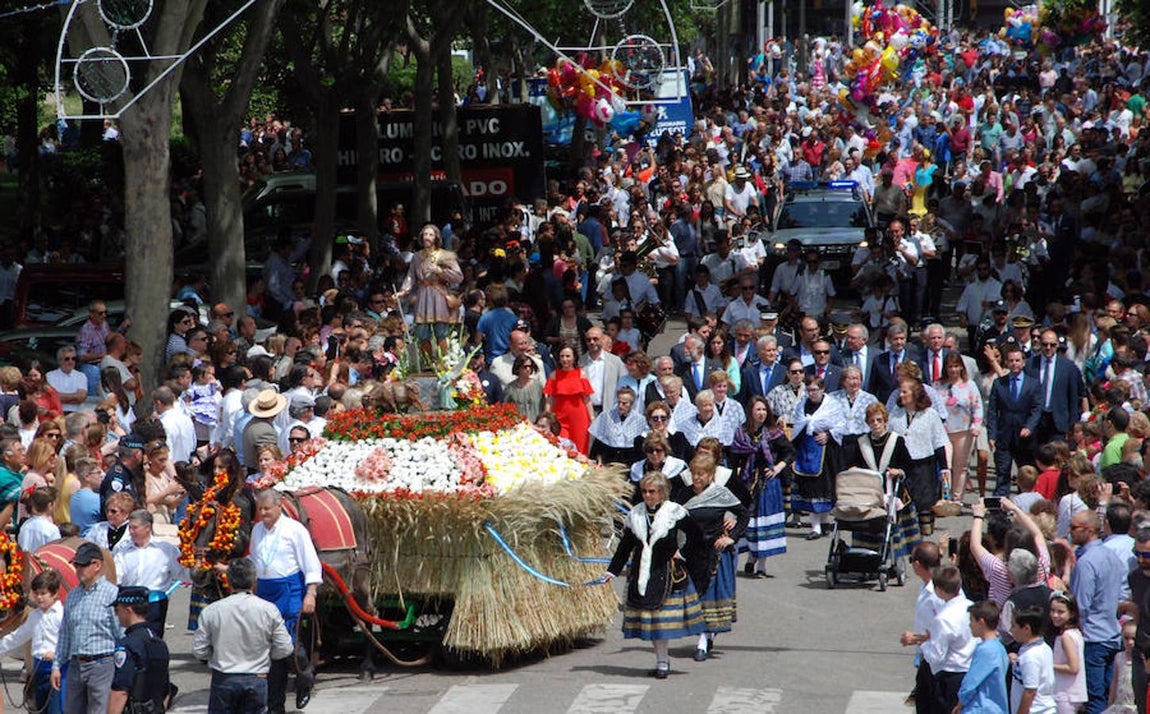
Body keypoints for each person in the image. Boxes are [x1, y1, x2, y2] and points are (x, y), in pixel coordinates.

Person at [605, 471, 707, 679]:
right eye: (644, 491)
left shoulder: (674, 512)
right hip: (644, 573)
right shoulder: (635, 515)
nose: (647, 495)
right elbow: (625, 546)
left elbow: (697, 536)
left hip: (667, 573)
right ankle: (662, 660)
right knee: (652, 622)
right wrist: (612, 571)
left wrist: (682, 552)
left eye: (652, 491)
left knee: (661, 623)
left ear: (662, 492)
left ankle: (665, 660)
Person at [249, 489, 322, 713]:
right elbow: (254, 561)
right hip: (265, 592)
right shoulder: (257, 530)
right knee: (272, 653)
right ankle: (275, 705)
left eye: (267, 509)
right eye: (260, 509)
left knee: (292, 647)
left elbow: (310, 562)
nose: (263, 513)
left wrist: (311, 593)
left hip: (290, 591)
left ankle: (304, 679)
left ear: (279, 506)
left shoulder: (294, 530)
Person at [194, 558, 295, 714]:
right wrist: (265, 656)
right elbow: (285, 648)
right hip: (256, 677)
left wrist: (218, 655)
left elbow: (200, 651)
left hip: (224, 678)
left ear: (228, 581)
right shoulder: (268, 610)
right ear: (254, 581)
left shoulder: (212, 611)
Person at [676, 453, 747, 662]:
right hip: (691, 553)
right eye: (694, 473)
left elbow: (744, 513)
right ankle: (706, 635)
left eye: (702, 474)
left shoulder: (721, 494)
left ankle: (703, 641)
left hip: (714, 554)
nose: (697, 478)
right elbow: (673, 519)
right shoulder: (683, 494)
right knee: (696, 598)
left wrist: (732, 537)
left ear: (710, 475)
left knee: (710, 598)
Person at [50, 542, 122, 714]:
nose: (78, 569)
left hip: (102, 664)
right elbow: (65, 633)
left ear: (97, 565)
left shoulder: (112, 594)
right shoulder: (73, 595)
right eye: (76, 565)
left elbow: (120, 633)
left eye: (82, 565)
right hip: (76, 664)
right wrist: (56, 665)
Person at [1068, 510, 1124, 714]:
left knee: (1094, 698)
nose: (1070, 531)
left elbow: (1080, 605)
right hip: (1112, 635)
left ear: (1090, 530)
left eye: (1074, 528)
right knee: (1110, 697)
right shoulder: (1111, 556)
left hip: (1093, 638)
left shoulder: (1086, 563)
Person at [729, 396, 792, 577]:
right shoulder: (741, 433)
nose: (762, 413)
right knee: (750, 521)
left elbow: (789, 452)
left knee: (764, 523)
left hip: (768, 484)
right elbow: (734, 459)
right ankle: (751, 557)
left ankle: (762, 565)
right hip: (748, 483)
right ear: (750, 412)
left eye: (764, 410)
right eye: (758, 409)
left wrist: (777, 468)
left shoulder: (773, 433)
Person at [889, 378, 950, 536]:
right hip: (902, 467)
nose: (901, 395)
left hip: (924, 467)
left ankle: (925, 542)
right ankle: (906, 539)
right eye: (900, 391)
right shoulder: (895, 413)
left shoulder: (930, 415)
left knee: (924, 507)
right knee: (902, 505)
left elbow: (939, 442)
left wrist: (944, 468)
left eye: (905, 392)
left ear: (915, 394)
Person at [114, 509, 186, 638]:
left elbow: (182, 573)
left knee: (152, 640)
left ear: (147, 527)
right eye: (129, 528)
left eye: (135, 528)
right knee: (129, 640)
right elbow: (116, 576)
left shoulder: (165, 549)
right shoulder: (122, 550)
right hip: (129, 602)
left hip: (154, 603)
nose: (131, 532)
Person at [0, 570, 63, 714]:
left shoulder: (61, 615)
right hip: (38, 668)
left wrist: (56, 654)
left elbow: (69, 640)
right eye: (36, 594)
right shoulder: (35, 616)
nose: (39, 597)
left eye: (43, 593)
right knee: (39, 708)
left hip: (56, 668)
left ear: (54, 594)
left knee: (56, 709)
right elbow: (18, 636)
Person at [791, 374, 844, 540]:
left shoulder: (832, 405)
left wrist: (828, 435)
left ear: (822, 389)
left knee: (825, 489)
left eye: (815, 390)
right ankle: (815, 527)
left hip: (826, 452)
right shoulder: (802, 405)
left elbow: (841, 425)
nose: (812, 393)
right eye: (809, 390)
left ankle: (824, 521)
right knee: (810, 489)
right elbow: (798, 426)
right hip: (806, 449)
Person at [399, 223, 463, 359]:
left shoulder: (445, 255)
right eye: (425, 234)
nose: (427, 237)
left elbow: (458, 276)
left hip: (438, 294)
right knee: (422, 332)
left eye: (430, 235)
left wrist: (440, 271)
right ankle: (428, 362)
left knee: (441, 332)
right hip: (423, 295)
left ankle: (442, 361)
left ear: (436, 238)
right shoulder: (417, 256)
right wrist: (403, 291)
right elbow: (411, 276)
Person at [985, 344, 1042, 497]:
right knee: (1002, 473)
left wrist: (1029, 426)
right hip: (1004, 436)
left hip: (1025, 438)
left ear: (1023, 363)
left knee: (1026, 474)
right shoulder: (999, 383)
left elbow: (1037, 409)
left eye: (1017, 360)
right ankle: (1000, 505)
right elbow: (992, 411)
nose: (1014, 363)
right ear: (1006, 363)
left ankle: (1024, 503)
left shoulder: (1033, 383)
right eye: (1011, 361)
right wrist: (992, 435)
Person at [917, 565, 975, 714]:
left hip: (951, 677)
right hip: (971, 673)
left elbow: (936, 656)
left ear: (939, 590)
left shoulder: (943, 618)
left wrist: (923, 643)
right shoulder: (972, 607)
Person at [108, 585, 172, 714]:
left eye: (117, 609)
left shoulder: (128, 644)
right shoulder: (158, 642)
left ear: (128, 610)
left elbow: (120, 690)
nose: (116, 614)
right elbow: (167, 689)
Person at [940, 352, 982, 506]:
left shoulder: (970, 385)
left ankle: (957, 499)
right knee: (946, 465)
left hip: (964, 431)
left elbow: (977, 407)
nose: (953, 370)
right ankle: (945, 498)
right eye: (950, 366)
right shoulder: (937, 385)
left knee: (961, 467)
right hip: (943, 432)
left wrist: (976, 425)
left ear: (961, 367)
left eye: (956, 366)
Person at [956, 600, 1010, 714]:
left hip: (981, 708)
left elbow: (971, 682)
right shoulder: (999, 647)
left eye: (971, 621)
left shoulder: (986, 650)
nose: (970, 625)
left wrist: (960, 703)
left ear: (981, 622)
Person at [543, 345, 595, 455]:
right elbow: (549, 400)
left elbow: (587, 398)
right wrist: (547, 417)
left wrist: (592, 417)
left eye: (568, 356)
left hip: (579, 417)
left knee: (580, 448)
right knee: (561, 445)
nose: (565, 359)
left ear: (574, 357)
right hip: (559, 417)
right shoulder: (554, 375)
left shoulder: (581, 374)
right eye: (562, 356)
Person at [1010, 605, 1057, 714]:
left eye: (1013, 626)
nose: (1011, 630)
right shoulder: (1042, 647)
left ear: (1026, 629)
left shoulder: (1030, 657)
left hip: (1036, 710)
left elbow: (1030, 691)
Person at [1049, 591, 1087, 714]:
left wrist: (1049, 665)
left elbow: (1073, 667)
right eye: (1052, 610)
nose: (1055, 615)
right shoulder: (1075, 633)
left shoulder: (1067, 636)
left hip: (1066, 694)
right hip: (1070, 694)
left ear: (1072, 613)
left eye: (1061, 612)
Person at [588, 386, 646, 464]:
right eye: (619, 402)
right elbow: (598, 440)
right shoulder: (607, 416)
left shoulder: (640, 419)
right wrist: (592, 459)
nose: (620, 406)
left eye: (624, 403)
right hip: (609, 456)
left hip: (629, 458)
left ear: (631, 404)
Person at [502, 354, 545, 423]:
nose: (528, 369)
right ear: (518, 368)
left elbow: (543, 406)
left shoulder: (538, 386)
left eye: (530, 366)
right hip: (519, 425)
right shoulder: (510, 388)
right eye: (525, 367)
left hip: (536, 425)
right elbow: (505, 409)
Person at [18, 486, 59, 554]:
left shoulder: (25, 525)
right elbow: (55, 552)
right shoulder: (52, 529)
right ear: (50, 505)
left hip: (25, 559)